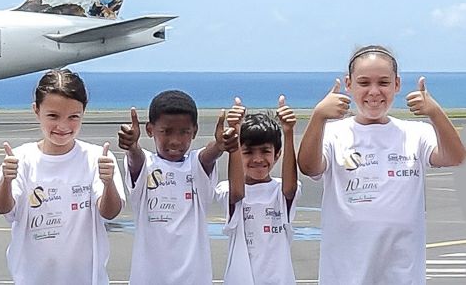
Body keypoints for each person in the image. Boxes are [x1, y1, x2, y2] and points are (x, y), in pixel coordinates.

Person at [297, 45, 466, 284]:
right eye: (364, 83)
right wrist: (318, 116)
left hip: (402, 274)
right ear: (349, 84)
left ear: (397, 84)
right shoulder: (333, 133)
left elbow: (455, 157)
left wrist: (435, 113)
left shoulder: (415, 133)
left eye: (383, 83)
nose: (374, 92)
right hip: (345, 274)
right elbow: (309, 166)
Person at [0, 69, 123, 284]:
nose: (63, 126)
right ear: (36, 110)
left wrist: (108, 183)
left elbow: (109, 212)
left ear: (83, 113)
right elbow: (3, 208)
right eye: (53, 116)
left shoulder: (96, 157)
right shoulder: (21, 158)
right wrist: (6, 180)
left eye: (73, 117)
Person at [116, 89, 225, 284]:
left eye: (184, 132)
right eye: (166, 131)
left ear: (195, 131)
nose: (175, 141)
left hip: (193, 278)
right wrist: (132, 147)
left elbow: (207, 157)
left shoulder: (194, 165)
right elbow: (136, 161)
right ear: (150, 130)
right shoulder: (147, 164)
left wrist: (219, 146)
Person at [218, 99, 299, 285]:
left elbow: (290, 189)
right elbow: (237, 193)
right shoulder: (227, 189)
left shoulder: (280, 190)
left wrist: (288, 132)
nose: (257, 159)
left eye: (265, 151)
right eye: (248, 152)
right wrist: (235, 133)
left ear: (277, 154)